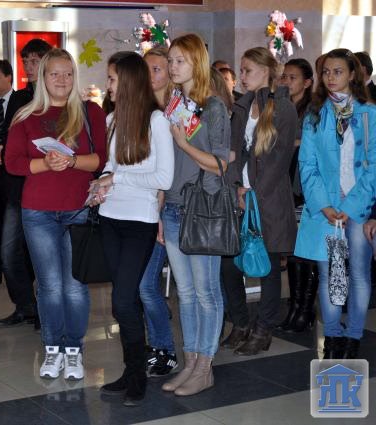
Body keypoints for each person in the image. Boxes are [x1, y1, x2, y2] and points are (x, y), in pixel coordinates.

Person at [6, 48, 107, 380]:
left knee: (75, 286)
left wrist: (72, 161)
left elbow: (101, 159)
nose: (62, 80)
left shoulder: (90, 111)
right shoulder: (25, 116)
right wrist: (46, 163)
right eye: (54, 74)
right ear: (42, 77)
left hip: (78, 208)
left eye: (68, 73)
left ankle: (74, 350)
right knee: (49, 286)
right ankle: (53, 349)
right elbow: (12, 163)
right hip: (38, 211)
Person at [94, 52, 174, 406]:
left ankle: (138, 375)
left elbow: (164, 178)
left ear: (127, 82)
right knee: (122, 301)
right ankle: (130, 371)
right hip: (110, 217)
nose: (108, 85)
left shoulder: (157, 121)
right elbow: (110, 166)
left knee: (124, 300)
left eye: (112, 79)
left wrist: (117, 178)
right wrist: (100, 185)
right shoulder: (112, 119)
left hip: (140, 221)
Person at [160, 34, 230, 397]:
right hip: (172, 206)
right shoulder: (174, 103)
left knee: (206, 292)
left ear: (197, 63)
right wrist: (159, 208)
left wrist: (184, 144)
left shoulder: (213, 107)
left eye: (180, 61)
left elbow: (220, 164)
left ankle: (205, 366)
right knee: (184, 293)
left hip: (201, 209)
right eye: (171, 60)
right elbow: (165, 160)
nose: (173, 67)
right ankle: (189, 362)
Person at [295, 48, 376, 359]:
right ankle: (332, 337)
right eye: (326, 72)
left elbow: (373, 166)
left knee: (358, 273)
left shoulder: (369, 114)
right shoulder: (315, 115)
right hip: (325, 209)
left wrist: (351, 207)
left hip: (358, 207)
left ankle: (353, 336)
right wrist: (324, 205)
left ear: (352, 74)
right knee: (330, 273)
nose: (330, 77)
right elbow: (307, 164)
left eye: (337, 71)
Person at [220, 47, 298, 356]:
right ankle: (241, 323)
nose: (242, 76)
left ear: (266, 71)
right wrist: (237, 187)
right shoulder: (242, 106)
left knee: (267, 267)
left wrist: (252, 194)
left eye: (247, 70)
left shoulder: (283, 108)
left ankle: (263, 328)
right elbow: (233, 152)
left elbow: (279, 161)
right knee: (229, 264)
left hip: (268, 199)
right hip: (242, 196)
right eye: (241, 70)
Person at [0, 59, 36, 327]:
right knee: (0, 244)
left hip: (20, 183)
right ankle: (24, 306)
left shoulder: (24, 101)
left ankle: (33, 306)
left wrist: (7, 154)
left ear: (9, 78)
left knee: (17, 249)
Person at [137, 47, 178, 379]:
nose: (150, 75)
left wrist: (161, 211)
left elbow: (169, 170)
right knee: (143, 284)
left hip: (168, 207)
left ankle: (165, 348)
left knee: (147, 285)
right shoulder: (141, 110)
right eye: (145, 69)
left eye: (157, 69)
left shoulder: (175, 111)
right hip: (141, 207)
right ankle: (156, 344)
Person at [278, 58, 318, 333]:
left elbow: (316, 142)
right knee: (292, 251)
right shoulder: (281, 106)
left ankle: (305, 309)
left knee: (306, 251)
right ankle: (294, 306)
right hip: (284, 184)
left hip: (304, 186)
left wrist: (291, 142)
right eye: (284, 76)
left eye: (292, 77)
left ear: (307, 82)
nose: (286, 82)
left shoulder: (314, 110)